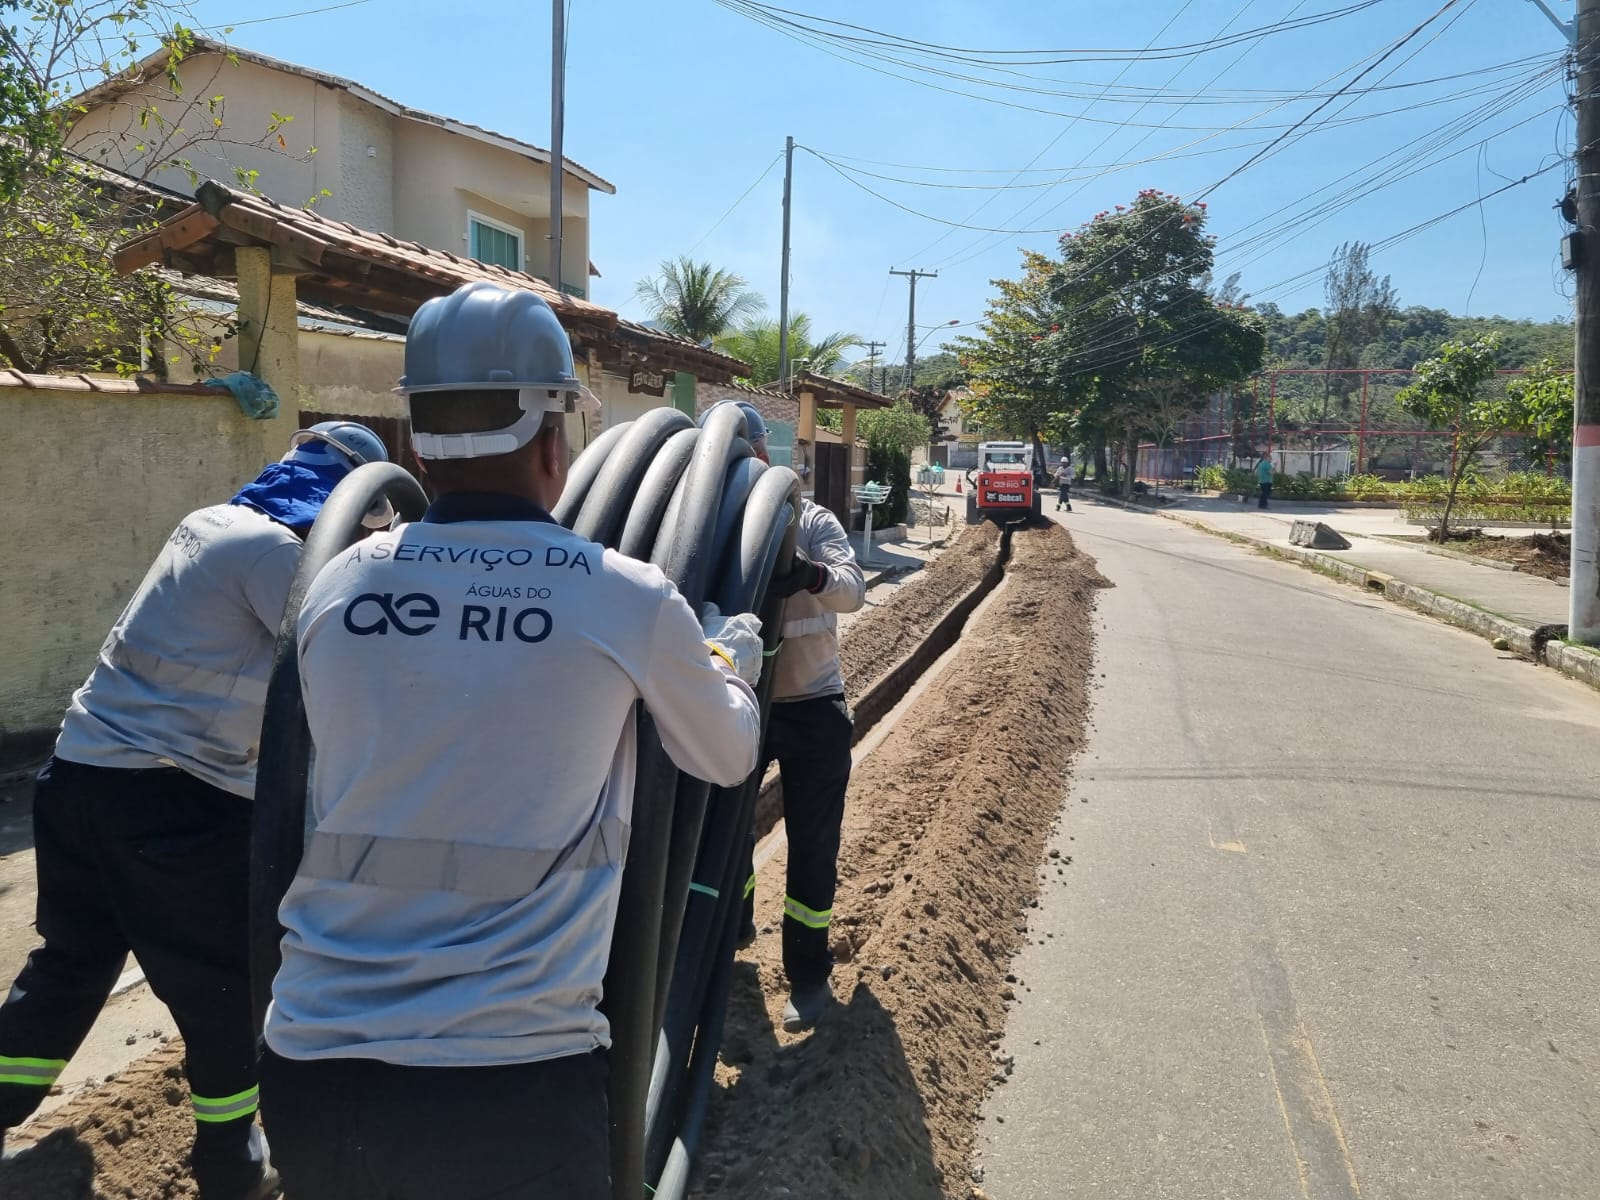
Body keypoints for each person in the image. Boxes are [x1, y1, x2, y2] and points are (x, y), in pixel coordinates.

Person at [256, 282, 766, 1200]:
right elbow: (724, 758)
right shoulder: (624, 597)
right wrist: (730, 661)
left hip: (315, 1062)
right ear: (551, 437)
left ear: (415, 438)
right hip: (509, 1079)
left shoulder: (338, 588)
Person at [0, 420, 391, 1199]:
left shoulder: (209, 522)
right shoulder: (281, 556)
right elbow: (348, 657)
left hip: (79, 778)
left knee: (70, 968)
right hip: (171, 803)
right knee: (223, 990)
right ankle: (231, 1166)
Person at [720, 401, 867, 1033]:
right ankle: (731, 933)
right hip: (741, 705)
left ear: (763, 456)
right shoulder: (715, 527)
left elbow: (853, 590)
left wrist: (805, 572)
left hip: (812, 708)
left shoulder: (812, 520)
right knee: (725, 837)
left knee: (812, 844)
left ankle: (807, 975)